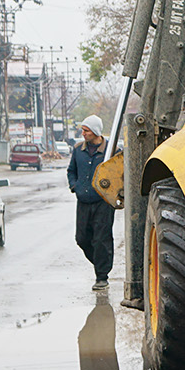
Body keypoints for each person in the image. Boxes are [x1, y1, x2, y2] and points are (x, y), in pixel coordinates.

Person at [66, 116, 116, 290]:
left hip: (103, 202)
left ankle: (102, 277)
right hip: (83, 201)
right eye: (83, 130)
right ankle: (101, 263)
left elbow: (119, 174)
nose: (83, 133)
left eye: (86, 130)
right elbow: (71, 170)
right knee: (81, 238)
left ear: (95, 131)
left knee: (101, 239)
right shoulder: (78, 149)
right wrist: (74, 186)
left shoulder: (111, 150)